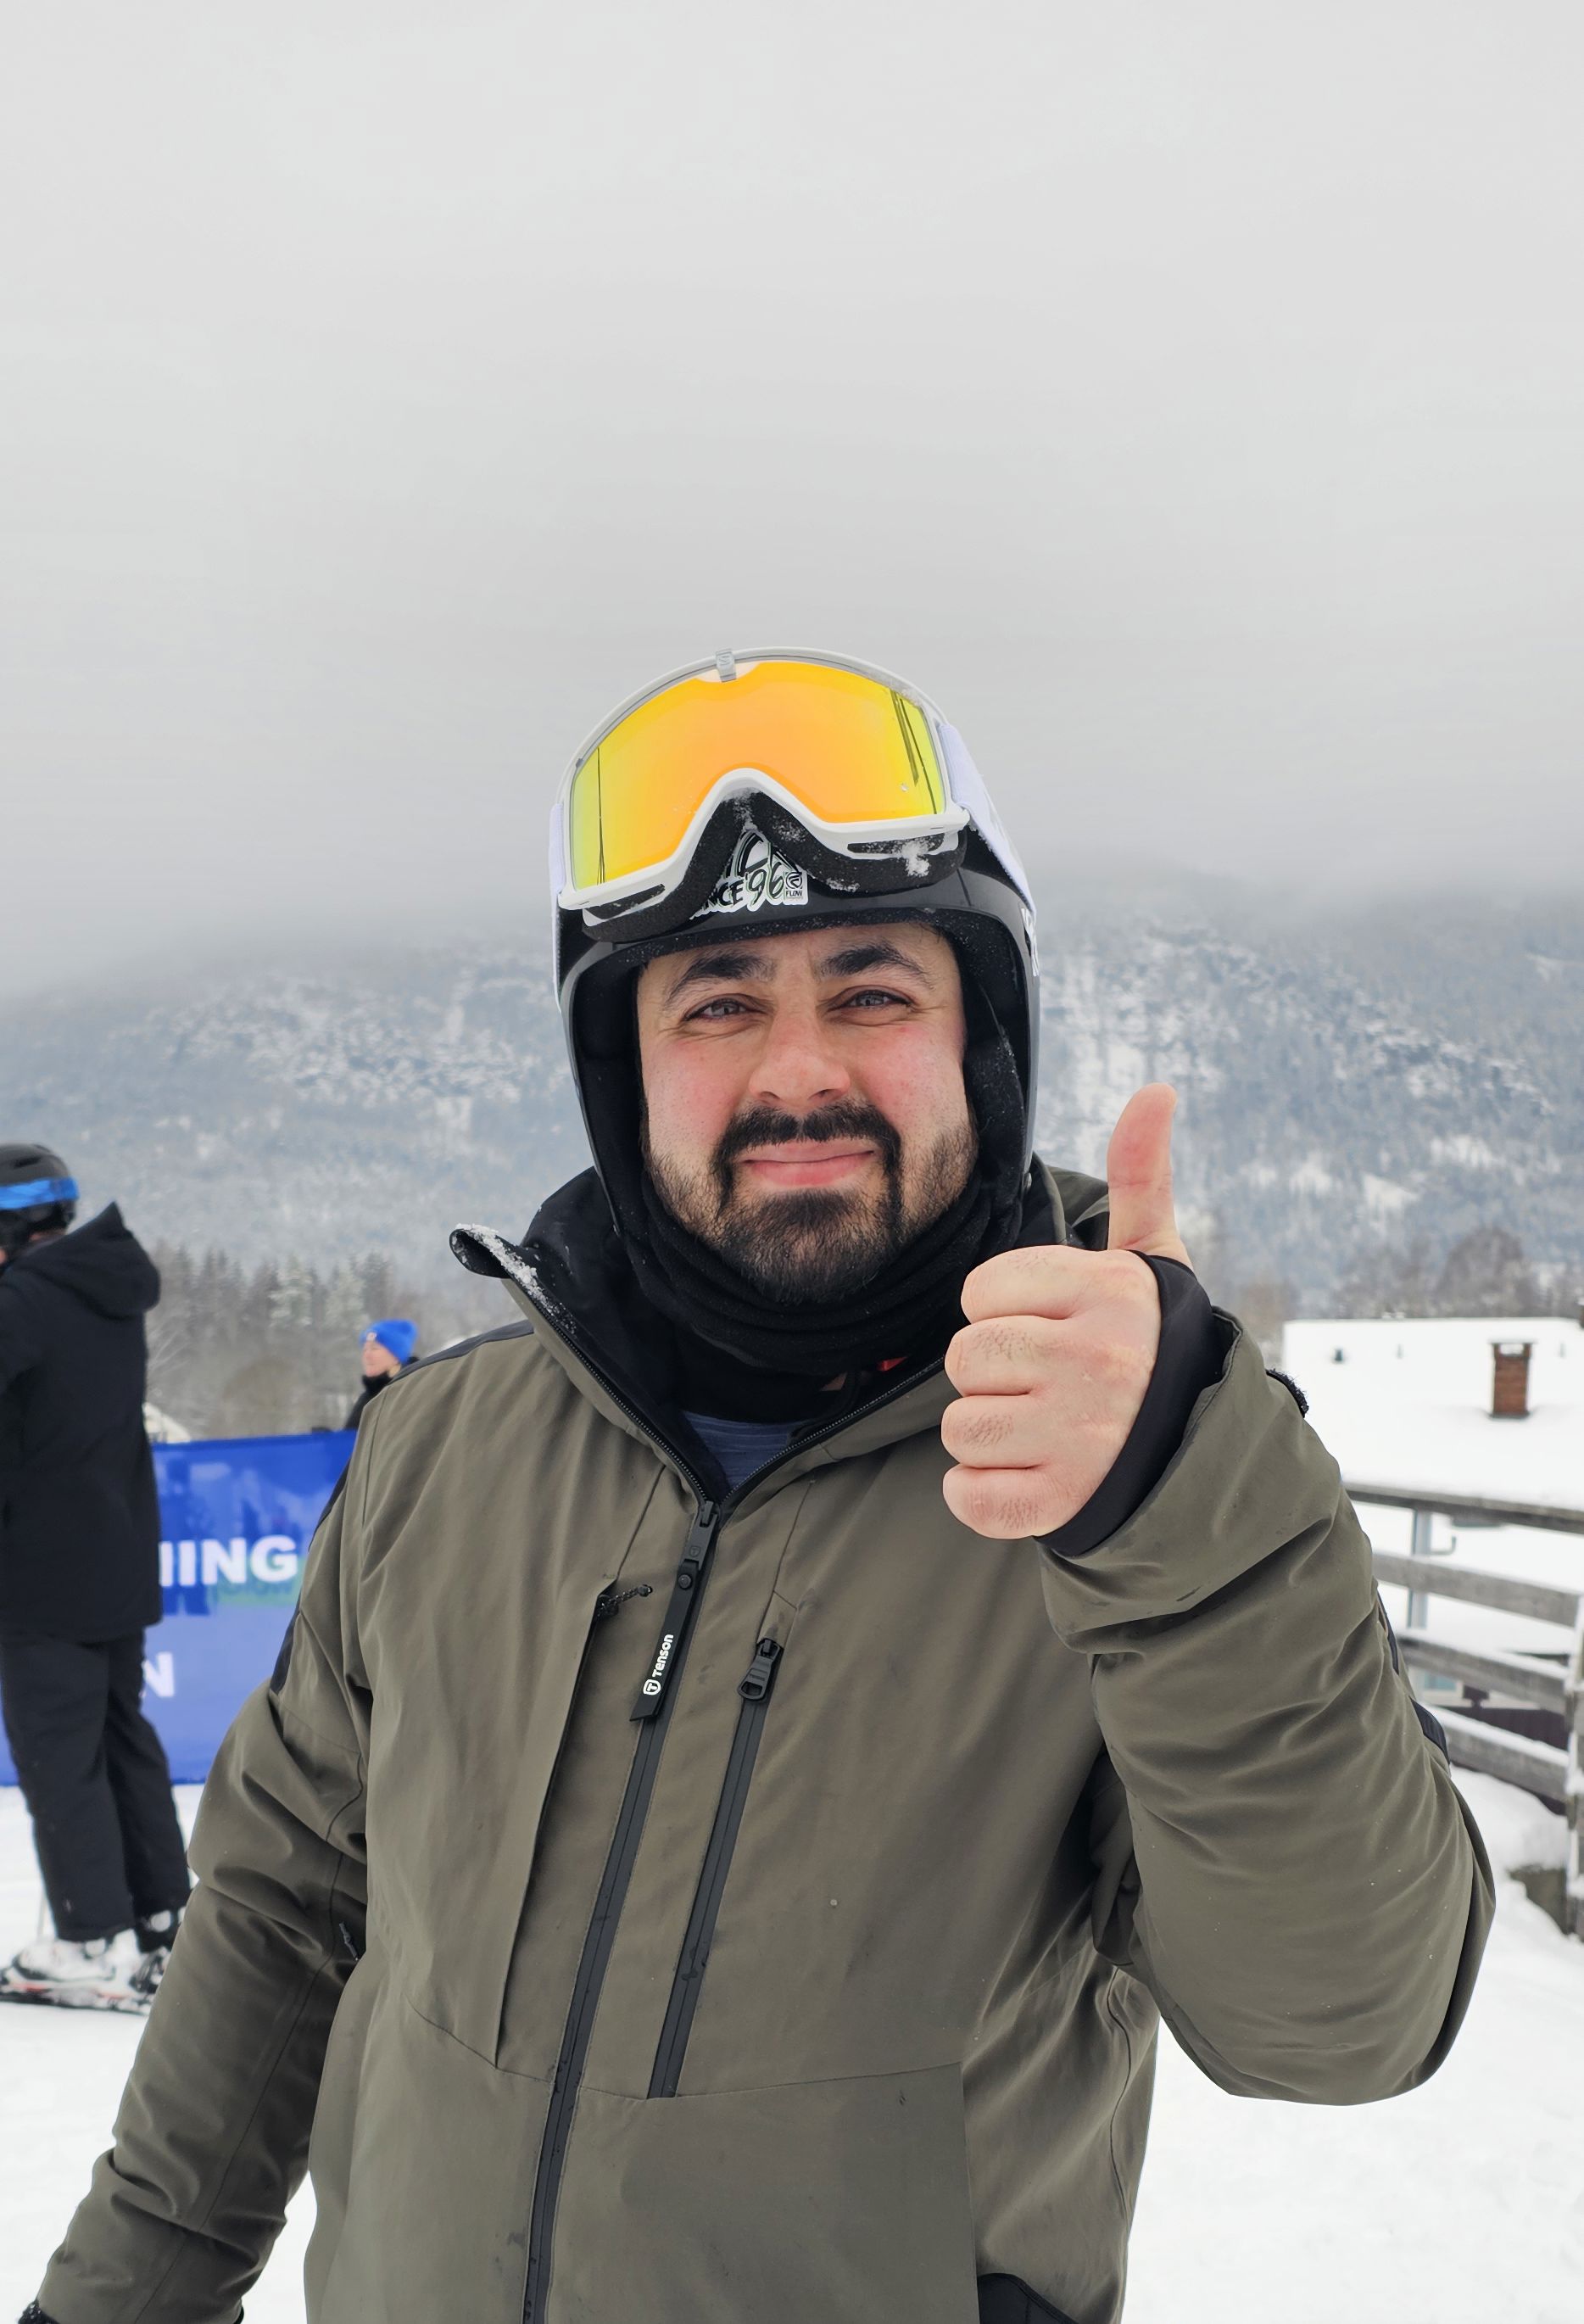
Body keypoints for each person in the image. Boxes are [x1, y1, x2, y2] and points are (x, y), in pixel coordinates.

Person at [24, 654, 1491, 2324]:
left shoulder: (1118, 1483)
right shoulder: (441, 1451)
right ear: (623, 1067)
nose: (798, 1072)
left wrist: (1174, 1509)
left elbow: (1342, 2021)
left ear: (983, 1039)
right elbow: (283, 1914)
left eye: (872, 992)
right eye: (715, 1004)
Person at [0, 1145, 190, 2012]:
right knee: (120, 1740)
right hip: (113, 1559)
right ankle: (162, 1921)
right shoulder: (103, 1288)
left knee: (59, 1757)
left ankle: (88, 1939)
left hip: (40, 1572)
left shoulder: (23, 1301)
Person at [342, 1316, 418, 1427]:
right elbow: (353, 1437)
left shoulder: (412, 1393)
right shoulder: (367, 1398)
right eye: (365, 1349)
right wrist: (325, 1436)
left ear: (396, 1357)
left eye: (374, 1349)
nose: (367, 1355)